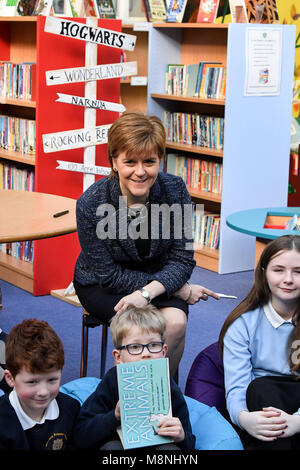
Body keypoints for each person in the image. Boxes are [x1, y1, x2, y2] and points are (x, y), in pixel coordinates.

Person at [73, 112, 219, 376]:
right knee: (142, 332)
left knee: (174, 324)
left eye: (149, 162)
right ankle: (134, 402)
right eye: (130, 161)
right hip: (103, 286)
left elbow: (182, 260)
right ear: (114, 162)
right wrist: (177, 290)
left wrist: (149, 292)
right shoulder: (90, 204)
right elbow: (109, 276)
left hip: (158, 282)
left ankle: (164, 397)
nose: (140, 172)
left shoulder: (175, 190)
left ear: (159, 161)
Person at [73, 304, 195, 450]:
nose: (146, 353)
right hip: (119, 447)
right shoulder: (112, 381)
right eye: (135, 347)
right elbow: (81, 435)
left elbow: (189, 443)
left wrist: (181, 436)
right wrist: (114, 416)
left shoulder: (167, 384)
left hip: (157, 448)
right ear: (118, 357)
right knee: (112, 448)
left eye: (154, 345)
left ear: (164, 352)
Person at [218, 234, 300, 450]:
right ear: (264, 273)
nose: (288, 279)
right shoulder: (243, 324)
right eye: (278, 270)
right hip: (261, 407)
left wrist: (297, 422)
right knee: (261, 388)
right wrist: (245, 419)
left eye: (298, 272)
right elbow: (237, 387)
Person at [0, 319, 80, 450]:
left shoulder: (71, 408)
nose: (43, 391)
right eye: (32, 382)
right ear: (10, 378)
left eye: (52, 380)